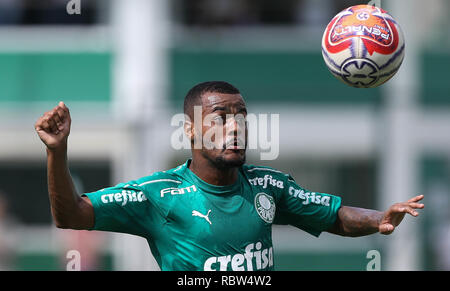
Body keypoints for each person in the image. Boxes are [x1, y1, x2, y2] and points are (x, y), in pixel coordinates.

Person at [34, 81, 424, 271]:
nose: (235, 127)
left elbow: (333, 216)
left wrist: (379, 219)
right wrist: (58, 150)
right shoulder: (158, 195)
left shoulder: (269, 186)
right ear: (189, 130)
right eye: (221, 118)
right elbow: (70, 216)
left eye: (241, 117)